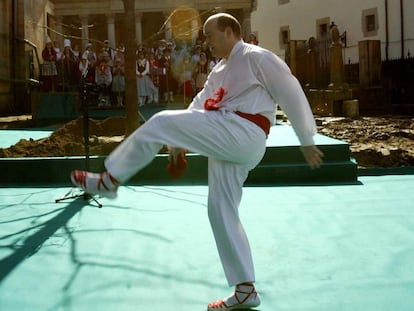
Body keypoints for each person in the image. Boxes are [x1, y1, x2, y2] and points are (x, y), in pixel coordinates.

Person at [70, 13, 324, 310]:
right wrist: (180, 143)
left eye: (211, 35)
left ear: (230, 32)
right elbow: (200, 104)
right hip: (230, 138)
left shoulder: (256, 57)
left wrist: (306, 139)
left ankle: (109, 180)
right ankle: (245, 289)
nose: (207, 42)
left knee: (161, 121)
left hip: (243, 131)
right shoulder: (219, 70)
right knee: (220, 209)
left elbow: (290, 89)